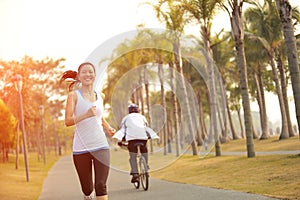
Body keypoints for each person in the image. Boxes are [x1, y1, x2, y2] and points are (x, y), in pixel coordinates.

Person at [60, 62, 115, 200]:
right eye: (84, 72)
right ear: (79, 76)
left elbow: (99, 116)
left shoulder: (100, 95)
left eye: (90, 72)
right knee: (87, 188)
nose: (88, 74)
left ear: (94, 75)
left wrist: (108, 127)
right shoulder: (73, 96)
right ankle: (87, 195)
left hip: (101, 146)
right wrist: (85, 115)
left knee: (101, 185)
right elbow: (67, 121)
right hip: (81, 149)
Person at [114, 103, 152, 183]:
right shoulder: (142, 117)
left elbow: (123, 130)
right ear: (138, 110)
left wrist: (121, 140)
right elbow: (146, 127)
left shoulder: (126, 118)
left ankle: (135, 174)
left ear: (129, 111)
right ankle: (146, 167)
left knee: (132, 156)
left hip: (132, 139)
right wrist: (148, 136)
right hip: (143, 138)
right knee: (144, 150)